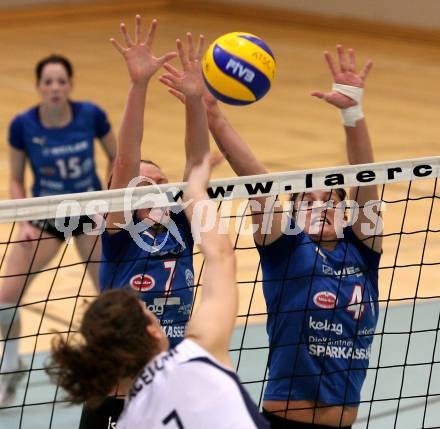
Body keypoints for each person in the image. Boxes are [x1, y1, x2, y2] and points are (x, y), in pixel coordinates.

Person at [167, 45, 381, 428]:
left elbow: (367, 176)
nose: (319, 205)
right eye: (307, 200)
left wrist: (353, 112)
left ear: (346, 212)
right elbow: (256, 179)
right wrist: (210, 112)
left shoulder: (362, 251)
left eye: (329, 199)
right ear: (293, 215)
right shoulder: (287, 249)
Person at [48, 141, 271, 428]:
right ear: (152, 330)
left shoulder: (135, 419)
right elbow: (221, 256)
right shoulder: (198, 359)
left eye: (161, 182)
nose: (155, 189)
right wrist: (197, 190)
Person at [77, 16, 211, 428]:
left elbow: (198, 161)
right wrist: (139, 85)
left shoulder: (182, 231)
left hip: (170, 392)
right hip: (118, 397)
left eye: (162, 184)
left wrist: (193, 100)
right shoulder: (120, 235)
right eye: (144, 185)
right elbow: (124, 160)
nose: (155, 190)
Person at [0, 54, 116, 406]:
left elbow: (117, 156)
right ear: (38, 86)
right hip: (44, 216)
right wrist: (22, 221)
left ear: (71, 85)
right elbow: (17, 180)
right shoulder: (23, 125)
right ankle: (10, 364)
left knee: (110, 298)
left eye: (61, 81)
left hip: (87, 214)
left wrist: (105, 201)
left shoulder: (91, 116)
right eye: (48, 82)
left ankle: (110, 366)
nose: (54, 88)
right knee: (4, 301)